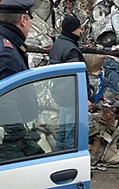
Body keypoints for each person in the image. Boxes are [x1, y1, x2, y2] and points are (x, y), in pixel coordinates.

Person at [0, 0, 43, 162]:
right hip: (9, 139)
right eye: (30, 21)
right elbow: (3, 103)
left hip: (7, 132)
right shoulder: (6, 53)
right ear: (23, 20)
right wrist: (22, 141)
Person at [49, 15, 93, 150]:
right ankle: (69, 161)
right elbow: (74, 78)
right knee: (72, 134)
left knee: (63, 130)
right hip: (71, 98)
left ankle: (58, 157)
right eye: (79, 28)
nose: (80, 31)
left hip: (61, 95)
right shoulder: (71, 50)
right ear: (74, 30)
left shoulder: (57, 45)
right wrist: (83, 98)